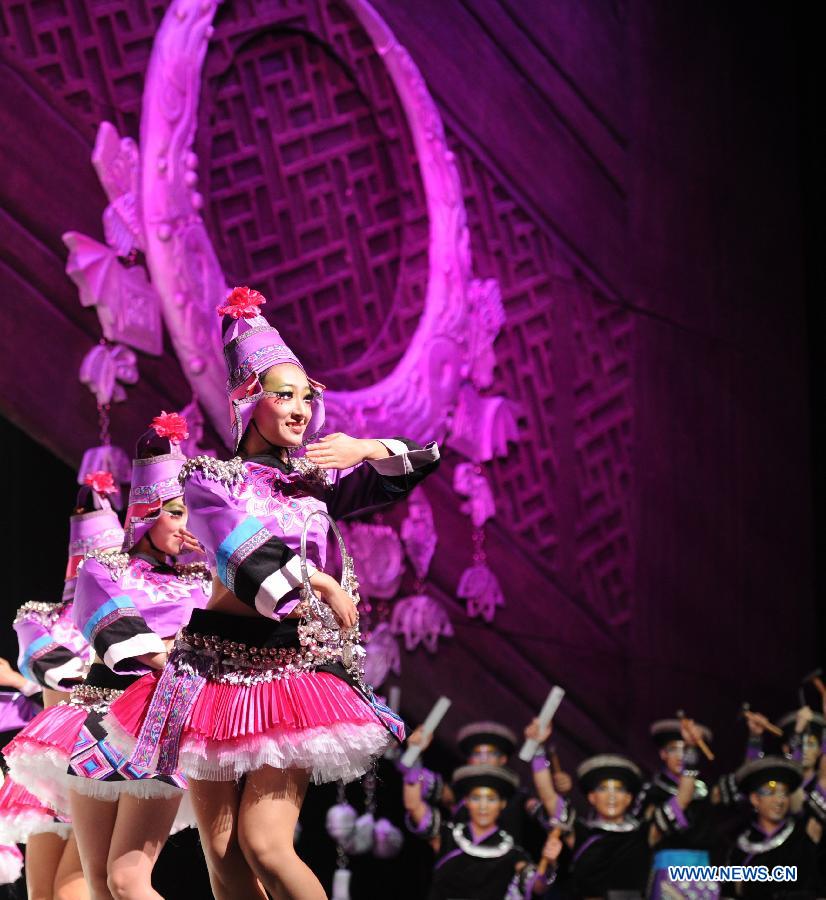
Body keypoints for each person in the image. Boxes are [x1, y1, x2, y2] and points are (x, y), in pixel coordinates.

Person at [104, 286, 441, 900]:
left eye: (308, 395)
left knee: (266, 844)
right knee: (224, 859)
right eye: (284, 394)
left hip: (287, 669)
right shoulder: (210, 481)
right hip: (207, 672)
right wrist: (316, 580)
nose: (301, 408)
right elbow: (240, 550)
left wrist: (364, 448)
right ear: (249, 402)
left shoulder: (319, 481)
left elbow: (421, 461)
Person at [4, 416, 210, 900]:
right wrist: (172, 650)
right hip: (93, 726)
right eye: (177, 512)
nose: (186, 526)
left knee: (125, 880)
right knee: (96, 886)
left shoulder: (202, 582)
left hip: (159, 722)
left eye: (192, 514)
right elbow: (98, 633)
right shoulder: (103, 572)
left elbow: (215, 644)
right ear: (147, 511)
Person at [0, 477, 122, 900]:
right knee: (42, 893)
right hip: (52, 773)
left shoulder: (126, 624)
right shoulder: (42, 620)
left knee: (74, 889)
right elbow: (55, 671)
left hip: (98, 763)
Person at [404, 762, 559, 899]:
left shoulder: (512, 854)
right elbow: (413, 806)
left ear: (502, 804)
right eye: (476, 798)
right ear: (466, 802)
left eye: (491, 799)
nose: (483, 806)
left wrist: (549, 862)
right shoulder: (447, 837)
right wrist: (414, 755)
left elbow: (538, 887)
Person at [634, 718, 719, 899]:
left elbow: (747, 787)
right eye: (674, 749)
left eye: (685, 750)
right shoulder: (653, 792)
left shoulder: (706, 791)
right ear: (663, 753)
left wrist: (755, 738)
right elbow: (647, 837)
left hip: (704, 876)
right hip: (668, 875)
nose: (681, 756)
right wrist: (691, 754)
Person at [725, 756, 823, 899]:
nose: (779, 800)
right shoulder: (740, 848)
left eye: (784, 792)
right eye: (770, 792)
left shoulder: (802, 838)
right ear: (755, 799)